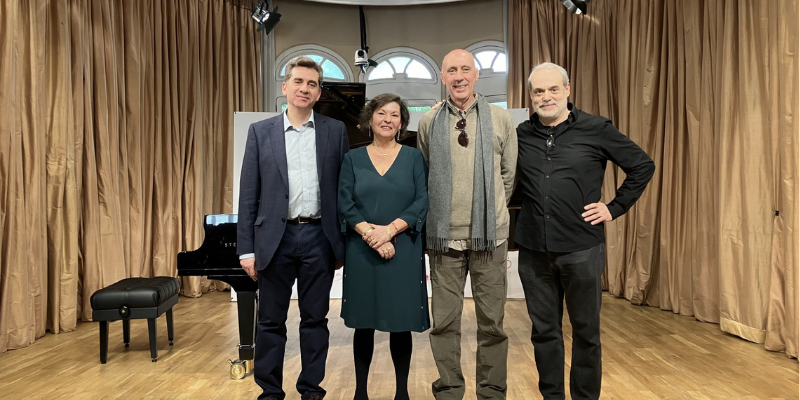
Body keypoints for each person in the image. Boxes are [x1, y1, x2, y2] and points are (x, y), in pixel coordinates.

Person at [515, 62, 656, 400]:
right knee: (544, 334)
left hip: (582, 249)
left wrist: (614, 206)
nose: (546, 97)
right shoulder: (519, 133)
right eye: (538, 91)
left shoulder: (596, 128)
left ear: (567, 89)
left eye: (553, 89)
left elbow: (642, 165)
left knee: (586, 334)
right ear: (531, 96)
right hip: (534, 251)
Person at [237, 56, 349, 400]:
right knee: (270, 321)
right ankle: (270, 391)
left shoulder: (335, 131)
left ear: (318, 93)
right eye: (298, 81)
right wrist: (246, 249)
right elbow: (248, 194)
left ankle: (311, 389)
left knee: (315, 320)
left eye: (312, 84)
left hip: (319, 237)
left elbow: (345, 189)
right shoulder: (261, 132)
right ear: (285, 88)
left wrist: (341, 242)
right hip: (275, 239)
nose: (305, 88)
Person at [417, 49, 518, 400]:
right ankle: (449, 391)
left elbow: (508, 176)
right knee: (444, 323)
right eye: (451, 71)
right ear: (443, 78)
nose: (459, 76)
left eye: (465, 69)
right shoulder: (429, 122)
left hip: (490, 238)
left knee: (492, 324)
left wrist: (488, 216)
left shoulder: (501, 118)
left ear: (476, 75)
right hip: (443, 239)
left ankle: (491, 393)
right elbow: (427, 174)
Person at [338, 93, 430, 400]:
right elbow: (345, 204)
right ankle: (360, 393)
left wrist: (390, 231)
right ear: (369, 119)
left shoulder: (414, 157)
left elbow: (422, 201)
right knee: (363, 323)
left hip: (403, 247)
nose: (387, 119)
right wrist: (372, 236)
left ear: (402, 122)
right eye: (381, 113)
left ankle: (402, 393)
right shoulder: (352, 158)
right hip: (362, 249)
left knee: (400, 322)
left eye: (394, 114)